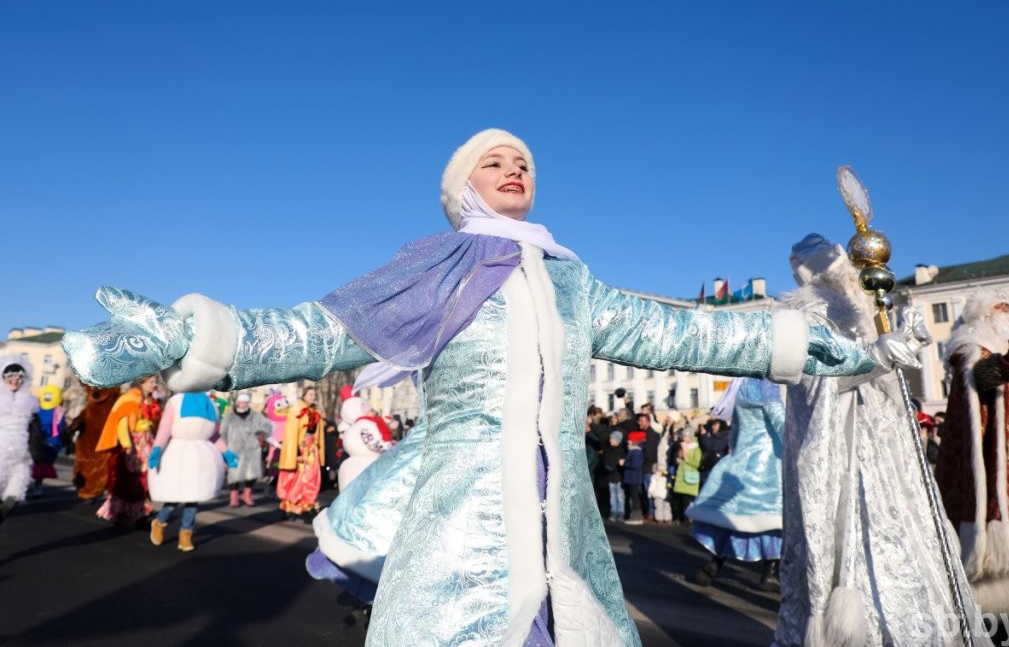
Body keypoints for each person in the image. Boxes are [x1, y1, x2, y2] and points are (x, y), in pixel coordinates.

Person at [63, 129, 879, 646]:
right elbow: (321, 332)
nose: (514, 166)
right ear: (463, 189)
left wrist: (809, 343)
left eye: (523, 160)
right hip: (463, 523)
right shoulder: (437, 264)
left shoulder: (572, 280)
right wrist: (188, 335)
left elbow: (685, 333)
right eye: (495, 160)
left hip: (564, 530)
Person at [776, 234, 987, 647]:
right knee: (859, 546)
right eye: (837, 266)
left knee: (914, 545)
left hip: (892, 453)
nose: (847, 273)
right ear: (815, 273)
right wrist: (877, 357)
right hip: (849, 452)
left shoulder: (866, 308)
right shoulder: (808, 317)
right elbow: (820, 384)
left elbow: (889, 379)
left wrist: (908, 342)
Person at [935, 289, 1009, 616]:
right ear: (981, 313)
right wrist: (1003, 366)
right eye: (999, 307)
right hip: (993, 459)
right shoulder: (971, 347)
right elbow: (981, 376)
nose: (1007, 311)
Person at [687, 377, 784, 592]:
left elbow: (737, 428)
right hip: (766, 462)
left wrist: (734, 453)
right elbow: (778, 418)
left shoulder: (741, 385)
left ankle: (714, 563)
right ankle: (769, 573)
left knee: (731, 515)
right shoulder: (766, 383)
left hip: (742, 458)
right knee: (771, 517)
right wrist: (800, 442)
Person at [148, 391, 238, 551]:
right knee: (174, 498)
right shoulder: (176, 401)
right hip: (177, 457)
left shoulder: (210, 405)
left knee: (193, 500)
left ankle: (185, 534)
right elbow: (165, 429)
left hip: (200, 460)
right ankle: (160, 522)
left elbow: (214, 435)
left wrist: (226, 452)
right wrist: (157, 449)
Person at [95, 375, 161, 527]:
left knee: (144, 478)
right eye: (151, 382)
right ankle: (120, 513)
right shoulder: (130, 398)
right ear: (141, 382)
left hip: (145, 441)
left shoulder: (150, 400)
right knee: (129, 479)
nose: (154, 385)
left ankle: (140, 512)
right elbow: (122, 422)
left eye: (155, 382)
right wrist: (128, 445)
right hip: (133, 442)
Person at [277, 387, 325, 522]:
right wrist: (296, 452)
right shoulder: (296, 410)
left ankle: (307, 506)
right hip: (300, 448)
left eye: (314, 394)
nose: (312, 396)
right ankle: (290, 507)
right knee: (295, 479)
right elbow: (291, 433)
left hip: (312, 449)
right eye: (310, 394)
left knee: (311, 478)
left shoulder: (315, 412)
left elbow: (318, 433)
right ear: (303, 395)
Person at [0, 355, 38, 523]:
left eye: (19, 377)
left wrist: (37, 451)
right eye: (10, 376)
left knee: (13, 498)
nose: (15, 380)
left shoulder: (31, 403)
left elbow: (35, 432)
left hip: (20, 458)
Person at [68, 384, 120, 502]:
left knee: (102, 468)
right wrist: (76, 424)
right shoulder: (90, 405)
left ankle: (96, 490)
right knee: (85, 467)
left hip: (105, 442)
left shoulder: (114, 402)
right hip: (87, 442)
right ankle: (87, 490)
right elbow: (83, 416)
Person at [219, 392, 272, 507]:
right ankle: (234, 497)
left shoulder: (256, 416)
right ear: (238, 403)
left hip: (252, 448)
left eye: (245, 402)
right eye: (241, 402)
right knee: (234, 474)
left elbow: (268, 426)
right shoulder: (230, 416)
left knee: (251, 474)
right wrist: (225, 446)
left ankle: (247, 495)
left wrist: (262, 433)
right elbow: (222, 432)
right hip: (234, 448)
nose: (243, 405)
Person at [28, 385, 66, 498]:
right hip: (38, 440)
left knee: (39, 466)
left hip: (48, 443)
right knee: (32, 465)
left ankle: (37, 486)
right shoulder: (37, 408)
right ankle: (33, 485)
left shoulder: (58, 412)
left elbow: (59, 428)